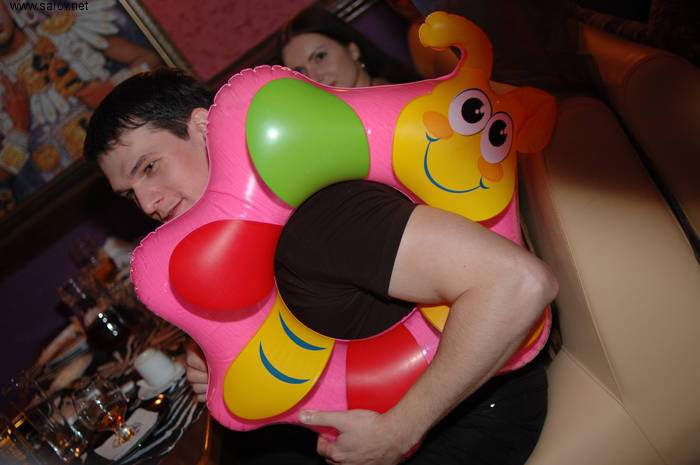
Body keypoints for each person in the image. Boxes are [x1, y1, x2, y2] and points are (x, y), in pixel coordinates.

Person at [84, 67, 557, 465]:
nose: (147, 203)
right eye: (129, 195)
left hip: (474, 422)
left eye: (149, 167)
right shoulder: (256, 240)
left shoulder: (317, 221)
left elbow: (517, 282)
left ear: (205, 127)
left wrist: (400, 430)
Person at [278, 6, 422, 87]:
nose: (314, 78)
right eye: (301, 72)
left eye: (320, 57)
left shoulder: (393, 99)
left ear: (353, 50)